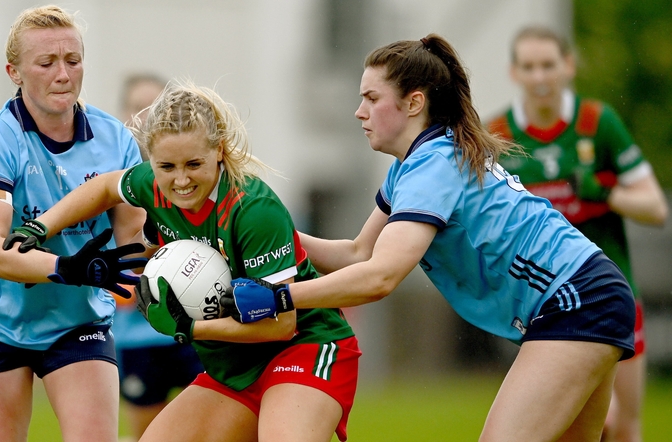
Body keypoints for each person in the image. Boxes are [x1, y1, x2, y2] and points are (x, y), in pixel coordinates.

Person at [225, 34, 638, 442]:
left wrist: (278, 297)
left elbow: (379, 278)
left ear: (414, 102)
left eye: (371, 98)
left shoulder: (431, 167)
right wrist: (263, 233)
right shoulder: (416, 164)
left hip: (576, 299)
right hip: (589, 292)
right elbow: (357, 253)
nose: (358, 112)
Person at [16, 80, 361, 442]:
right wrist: (41, 226)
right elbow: (103, 188)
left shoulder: (254, 210)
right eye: (166, 166)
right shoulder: (153, 184)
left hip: (304, 346)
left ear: (220, 151)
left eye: (194, 164)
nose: (180, 180)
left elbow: (281, 325)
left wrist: (188, 328)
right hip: (234, 363)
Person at [0, 5, 147, 442]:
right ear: (14, 72)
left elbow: (134, 241)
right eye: (47, 62)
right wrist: (68, 269)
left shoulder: (116, 140)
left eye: (73, 61)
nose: (63, 74)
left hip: (79, 323)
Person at [487, 25, 669, 442]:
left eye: (548, 65)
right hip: (548, 302)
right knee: (585, 422)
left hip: (614, 290)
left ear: (568, 66)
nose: (540, 77)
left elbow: (656, 208)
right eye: (529, 67)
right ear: (514, 73)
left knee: (624, 426)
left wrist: (603, 191)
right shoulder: (498, 134)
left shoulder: (597, 123)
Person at [111, 73, 204, 441]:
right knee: (146, 435)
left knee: (210, 429)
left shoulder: (194, 175)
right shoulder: (111, 183)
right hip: (137, 334)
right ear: (123, 114)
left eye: (155, 109)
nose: (145, 118)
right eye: (137, 108)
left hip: (195, 329)